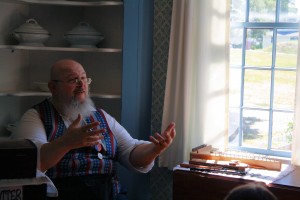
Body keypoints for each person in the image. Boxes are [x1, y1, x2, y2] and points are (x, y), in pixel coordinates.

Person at [11, 59, 176, 200]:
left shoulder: (102, 117)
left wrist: (155, 149)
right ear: (53, 87)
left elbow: (131, 152)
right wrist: (66, 143)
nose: (81, 84)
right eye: (73, 80)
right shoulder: (36, 117)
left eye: (84, 78)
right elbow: (30, 162)